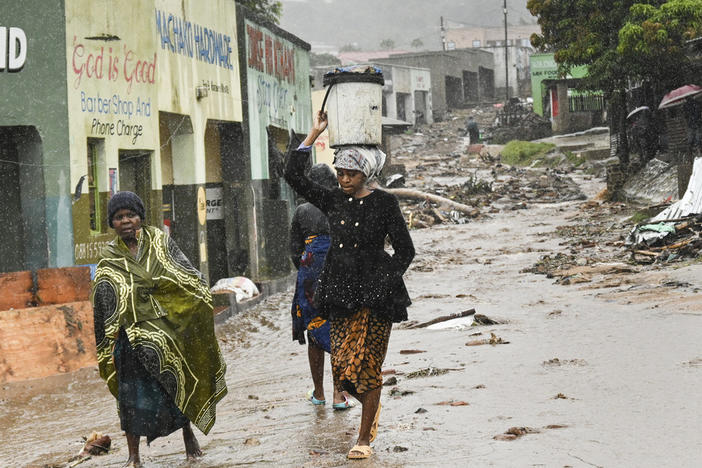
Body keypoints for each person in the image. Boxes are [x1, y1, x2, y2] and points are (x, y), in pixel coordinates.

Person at [284, 111, 415, 460]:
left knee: (366, 366)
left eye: (350, 173)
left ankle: (363, 438)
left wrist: (384, 283)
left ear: (366, 174)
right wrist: (313, 134)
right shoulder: (333, 199)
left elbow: (405, 250)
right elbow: (292, 174)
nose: (343, 179)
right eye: (340, 172)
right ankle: (372, 407)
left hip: (376, 298)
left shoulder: (385, 203)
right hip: (339, 294)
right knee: (342, 369)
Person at [91, 191, 227, 467]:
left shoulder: (160, 243)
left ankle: (190, 439)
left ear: (141, 217)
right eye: (119, 217)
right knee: (131, 400)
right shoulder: (108, 260)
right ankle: (133, 457)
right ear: (112, 223)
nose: (126, 221)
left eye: (131, 215)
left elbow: (189, 278)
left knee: (176, 386)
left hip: (168, 333)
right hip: (129, 342)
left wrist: (183, 311)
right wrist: (111, 336)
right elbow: (103, 303)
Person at [290, 163, 354, 410]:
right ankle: (340, 395)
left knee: (315, 330)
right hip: (341, 270)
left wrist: (308, 270)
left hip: (310, 275)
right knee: (340, 328)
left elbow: (294, 250)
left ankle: (319, 393)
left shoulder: (302, 211)